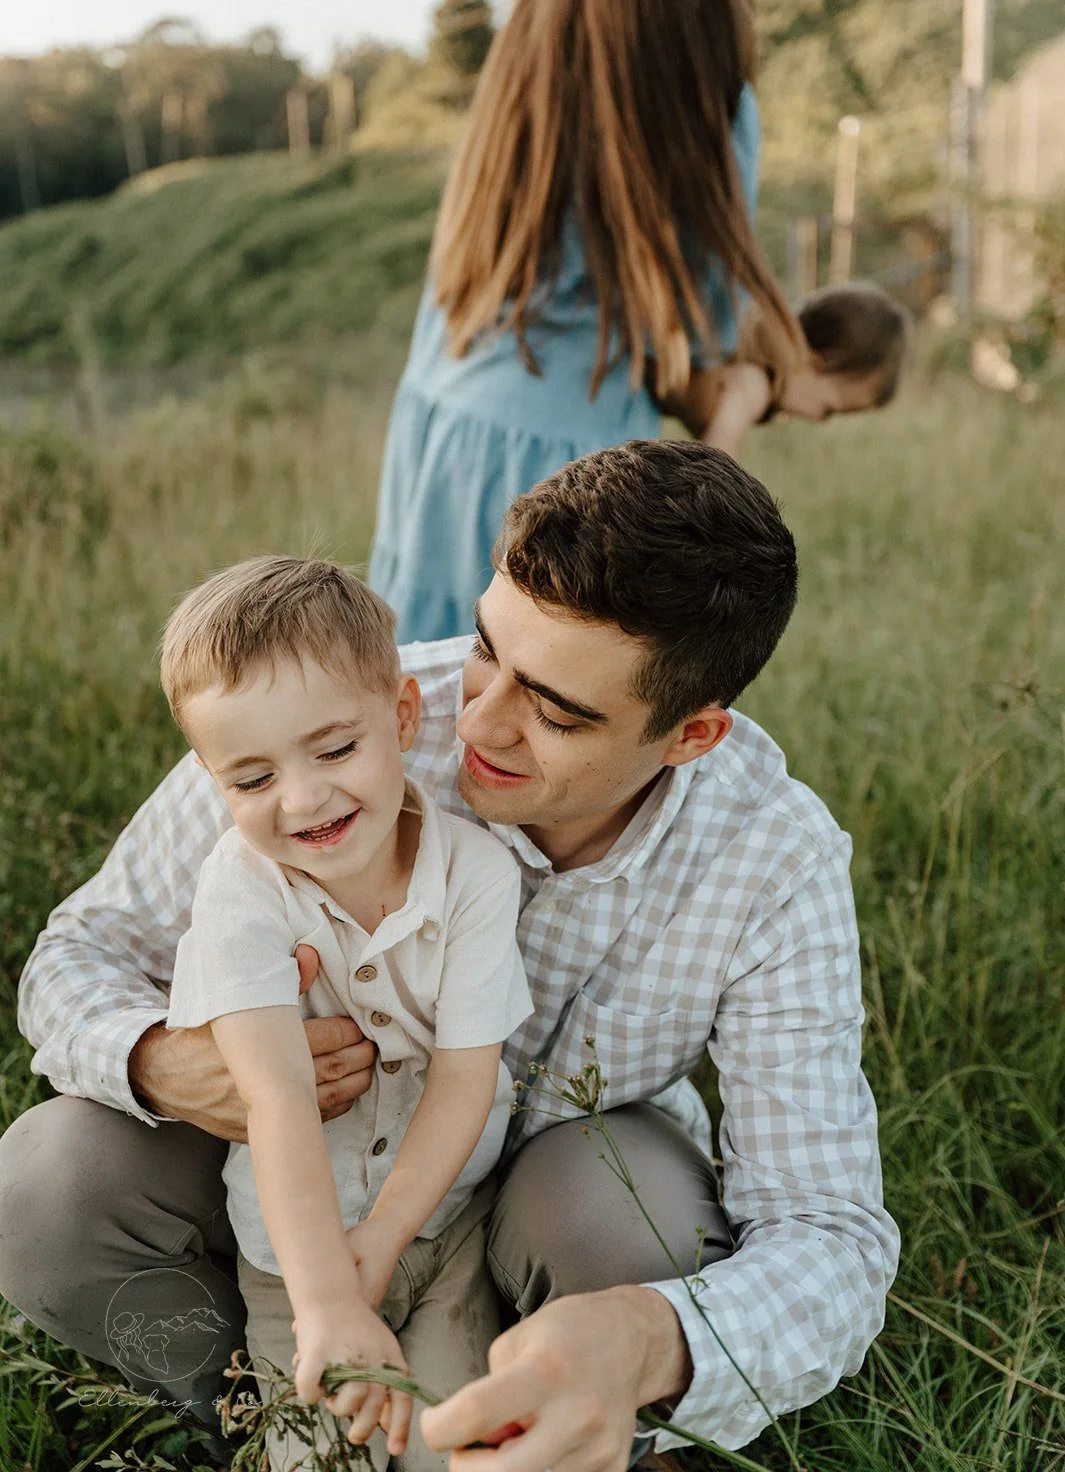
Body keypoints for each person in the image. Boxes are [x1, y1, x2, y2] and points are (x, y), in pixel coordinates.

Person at [1, 442, 899, 1471]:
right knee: (46, 1185)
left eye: (555, 711)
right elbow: (77, 953)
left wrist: (649, 1337)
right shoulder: (338, 719)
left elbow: (830, 1233)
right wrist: (165, 1059)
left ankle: (562, 1414)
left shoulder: (775, 858)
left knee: (629, 1231)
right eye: (486, 648)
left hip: (554, 1197)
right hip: (306, 1195)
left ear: (691, 736)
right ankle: (261, 1407)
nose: (478, 719)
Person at [159, 557, 533, 1469]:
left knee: (449, 1449)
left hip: (441, 1229)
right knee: (323, 1456)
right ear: (213, 782)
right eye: (250, 780)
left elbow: (464, 1076)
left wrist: (384, 1241)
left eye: (334, 750)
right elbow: (275, 1096)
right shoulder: (241, 891)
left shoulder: (476, 874)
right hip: (294, 1258)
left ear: (402, 718)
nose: (303, 798)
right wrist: (328, 1292)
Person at [368, 0, 802, 644]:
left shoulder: (540, 13)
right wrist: (756, 387)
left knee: (417, 709)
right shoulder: (701, 83)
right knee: (548, 735)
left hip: (439, 423)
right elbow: (699, 349)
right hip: (567, 469)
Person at [677, 281, 913, 459]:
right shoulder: (756, 384)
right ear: (814, 364)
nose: (822, 421)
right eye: (828, 409)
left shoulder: (752, 340)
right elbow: (715, 458)